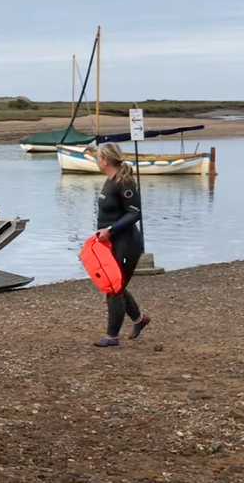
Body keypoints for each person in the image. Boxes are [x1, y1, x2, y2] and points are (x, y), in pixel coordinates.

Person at [92, 143, 151, 347]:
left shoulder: (124, 182)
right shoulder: (109, 181)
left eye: (98, 157)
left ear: (106, 160)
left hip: (126, 244)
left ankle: (112, 336)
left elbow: (135, 213)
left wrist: (111, 230)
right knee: (115, 284)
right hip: (109, 244)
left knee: (114, 289)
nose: (96, 161)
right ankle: (139, 319)